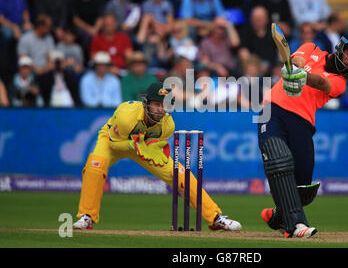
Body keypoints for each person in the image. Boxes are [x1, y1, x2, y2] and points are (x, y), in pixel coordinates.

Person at [72, 81, 242, 231]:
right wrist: (131, 145)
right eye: (157, 104)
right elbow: (112, 143)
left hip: (143, 146)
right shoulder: (126, 116)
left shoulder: (167, 125)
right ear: (146, 103)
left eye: (165, 105)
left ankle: (215, 218)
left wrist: (151, 148)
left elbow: (155, 144)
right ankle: (86, 216)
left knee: (180, 174)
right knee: (95, 166)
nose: (161, 110)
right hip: (114, 142)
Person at [258, 31, 348, 238]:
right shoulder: (312, 48)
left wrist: (304, 77)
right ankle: (297, 225)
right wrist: (293, 69)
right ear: (341, 46)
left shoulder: (340, 82)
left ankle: (277, 216)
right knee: (279, 159)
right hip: (273, 110)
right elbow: (298, 58)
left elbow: (322, 83)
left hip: (302, 122)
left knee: (303, 189)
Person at [238, 6, 277, 74]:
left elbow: (280, 53)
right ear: (251, 19)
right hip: (253, 69)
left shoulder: (274, 33)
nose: (258, 19)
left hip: (272, 68)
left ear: (266, 19)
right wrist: (256, 66)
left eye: (261, 17)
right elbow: (243, 52)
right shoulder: (245, 33)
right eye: (255, 17)